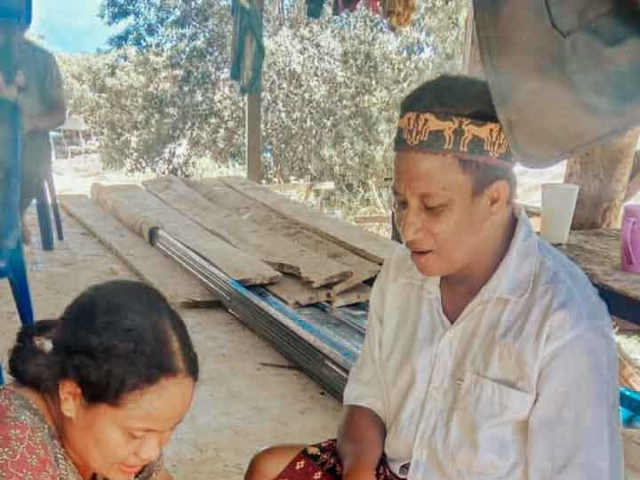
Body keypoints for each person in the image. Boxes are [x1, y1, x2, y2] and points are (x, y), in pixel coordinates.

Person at [245, 75, 623, 480]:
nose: (408, 228)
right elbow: (368, 401)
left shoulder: (566, 322)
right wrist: (357, 473)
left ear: (494, 199)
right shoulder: (400, 275)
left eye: (433, 207)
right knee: (268, 469)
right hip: (388, 472)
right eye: (401, 203)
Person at [0, 280, 199, 480]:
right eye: (136, 434)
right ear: (71, 397)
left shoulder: (126, 425)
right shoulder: (16, 462)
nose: (152, 453)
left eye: (169, 428)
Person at [0, 3, 66, 244]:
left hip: (27, 148)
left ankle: (13, 215)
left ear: (23, 25)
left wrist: (32, 122)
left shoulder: (42, 61)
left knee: (28, 163)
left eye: (10, 26)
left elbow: (59, 112)